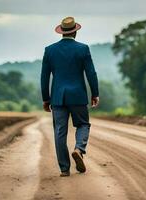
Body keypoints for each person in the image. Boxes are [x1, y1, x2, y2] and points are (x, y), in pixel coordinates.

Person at [40, 16, 99, 177]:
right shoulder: (83, 49)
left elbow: (44, 77)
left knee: (60, 131)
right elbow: (91, 73)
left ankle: (64, 169)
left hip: (58, 97)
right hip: (78, 95)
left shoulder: (49, 50)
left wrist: (46, 98)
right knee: (83, 125)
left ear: (61, 32)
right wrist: (95, 93)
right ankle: (79, 149)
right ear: (75, 32)